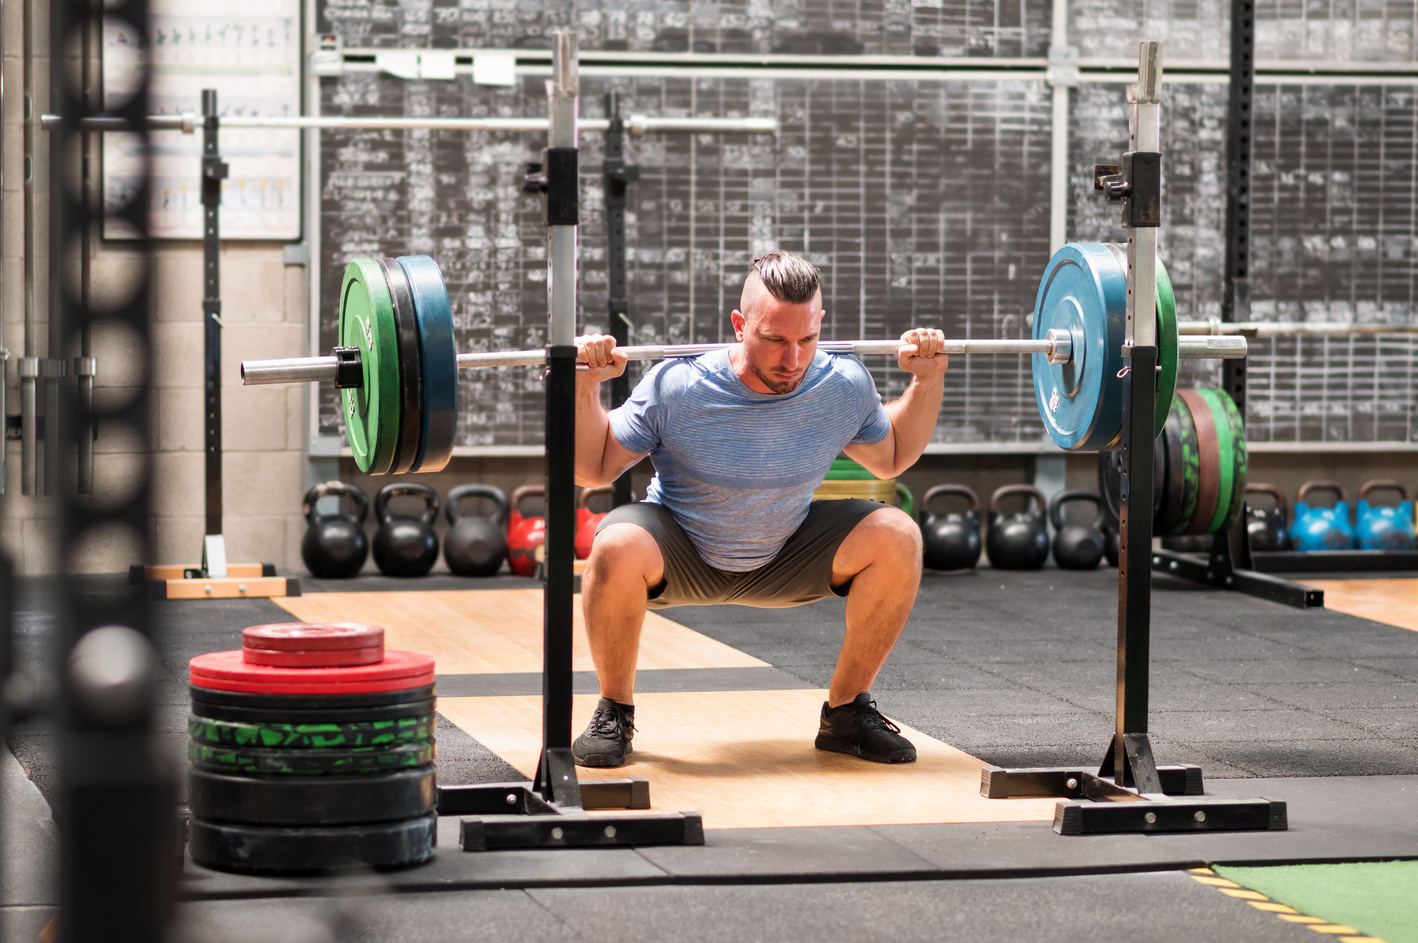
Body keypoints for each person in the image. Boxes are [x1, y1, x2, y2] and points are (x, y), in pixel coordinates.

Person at [571, 251, 947, 768]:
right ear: (740, 324)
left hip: (785, 553)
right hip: (682, 554)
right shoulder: (678, 386)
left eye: (806, 340)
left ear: (820, 327)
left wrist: (927, 381)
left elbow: (893, 457)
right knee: (615, 541)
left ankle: (845, 714)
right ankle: (614, 710)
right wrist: (584, 387)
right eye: (774, 340)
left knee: (897, 535)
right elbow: (593, 468)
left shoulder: (841, 385)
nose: (792, 359)